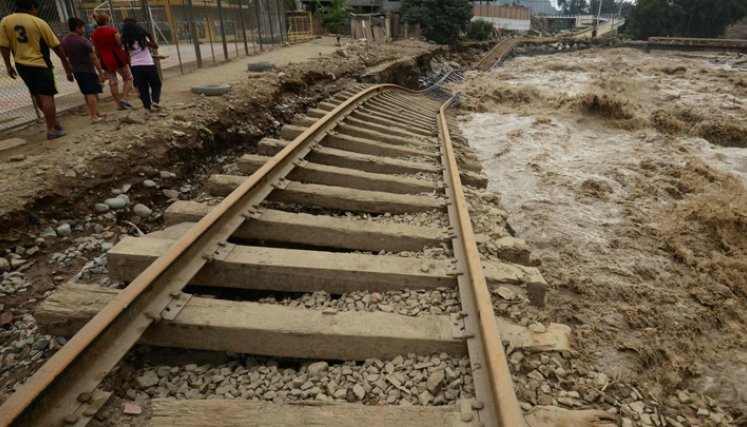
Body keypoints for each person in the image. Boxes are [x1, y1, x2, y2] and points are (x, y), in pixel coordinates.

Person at [0, 0, 75, 140]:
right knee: (47, 96)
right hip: (41, 63)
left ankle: (52, 121)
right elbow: (56, 46)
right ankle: (51, 129)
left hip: (21, 64)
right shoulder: (38, 22)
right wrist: (66, 64)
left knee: (36, 95)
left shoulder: (5, 21)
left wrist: (8, 65)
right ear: (33, 7)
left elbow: (4, 45)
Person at [62, 17, 106, 124]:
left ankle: (95, 112)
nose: (84, 30)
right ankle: (93, 117)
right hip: (87, 70)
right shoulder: (83, 41)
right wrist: (101, 72)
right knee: (91, 92)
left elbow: (64, 58)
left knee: (86, 93)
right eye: (83, 28)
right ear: (77, 28)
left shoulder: (64, 40)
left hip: (76, 70)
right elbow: (93, 57)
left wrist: (68, 72)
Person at [90, 12, 132, 110]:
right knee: (128, 78)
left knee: (113, 82)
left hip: (105, 60)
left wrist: (98, 60)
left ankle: (118, 104)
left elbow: (96, 50)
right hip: (117, 58)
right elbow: (120, 43)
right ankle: (124, 98)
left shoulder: (94, 34)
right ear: (106, 20)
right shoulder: (112, 31)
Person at [121, 18, 162, 113]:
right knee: (156, 84)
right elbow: (155, 46)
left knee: (143, 88)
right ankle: (155, 101)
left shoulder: (124, 40)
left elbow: (126, 57)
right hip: (148, 64)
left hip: (135, 67)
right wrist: (146, 42)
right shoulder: (143, 36)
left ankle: (147, 108)